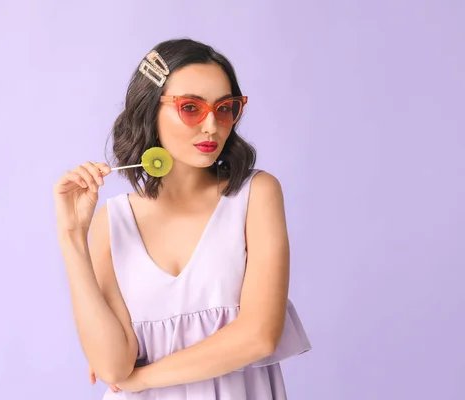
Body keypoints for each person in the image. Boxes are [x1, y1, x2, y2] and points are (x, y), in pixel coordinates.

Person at [53, 38, 311, 399]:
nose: (211, 127)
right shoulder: (113, 222)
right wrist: (71, 237)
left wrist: (142, 380)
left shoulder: (256, 195)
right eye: (191, 107)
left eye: (225, 108)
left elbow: (259, 336)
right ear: (149, 110)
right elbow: (112, 366)